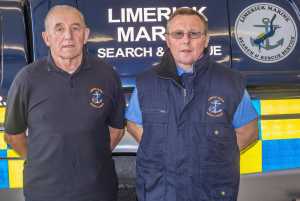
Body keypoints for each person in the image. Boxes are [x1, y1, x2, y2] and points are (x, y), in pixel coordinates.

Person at [126, 8, 258, 201]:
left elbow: (249, 131)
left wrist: (213, 156)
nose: (186, 40)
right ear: (168, 40)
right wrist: (168, 149)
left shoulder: (230, 82)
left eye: (194, 34)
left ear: (205, 40)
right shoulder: (146, 83)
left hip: (210, 192)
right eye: (178, 34)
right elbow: (134, 125)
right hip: (161, 192)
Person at [4, 5, 125, 201]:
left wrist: (90, 157)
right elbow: (13, 136)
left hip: (98, 191)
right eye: (59, 29)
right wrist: (42, 162)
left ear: (85, 35)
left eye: (75, 28)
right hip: (45, 193)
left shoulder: (107, 75)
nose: (68, 35)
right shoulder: (27, 79)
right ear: (46, 38)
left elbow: (116, 131)